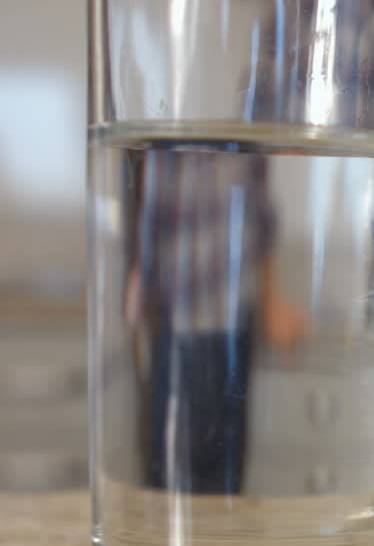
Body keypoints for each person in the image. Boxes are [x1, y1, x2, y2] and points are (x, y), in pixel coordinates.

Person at [125, 148, 306, 494]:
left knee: (225, 452)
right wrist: (139, 285)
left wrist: (271, 303)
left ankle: (220, 531)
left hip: (234, 321)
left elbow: (263, 224)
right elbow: (152, 221)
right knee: (172, 452)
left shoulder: (246, 149)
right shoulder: (168, 151)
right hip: (177, 323)